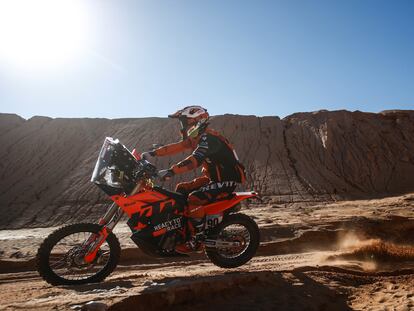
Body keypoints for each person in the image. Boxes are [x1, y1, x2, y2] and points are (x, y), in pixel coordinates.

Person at [141, 106, 246, 253]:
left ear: (198, 120)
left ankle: (196, 240)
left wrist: (171, 171)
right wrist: (152, 153)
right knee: (181, 189)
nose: (183, 125)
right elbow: (177, 147)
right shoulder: (199, 138)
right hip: (213, 179)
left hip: (226, 181)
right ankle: (180, 233)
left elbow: (195, 160)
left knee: (194, 199)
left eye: (185, 121)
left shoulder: (209, 138)